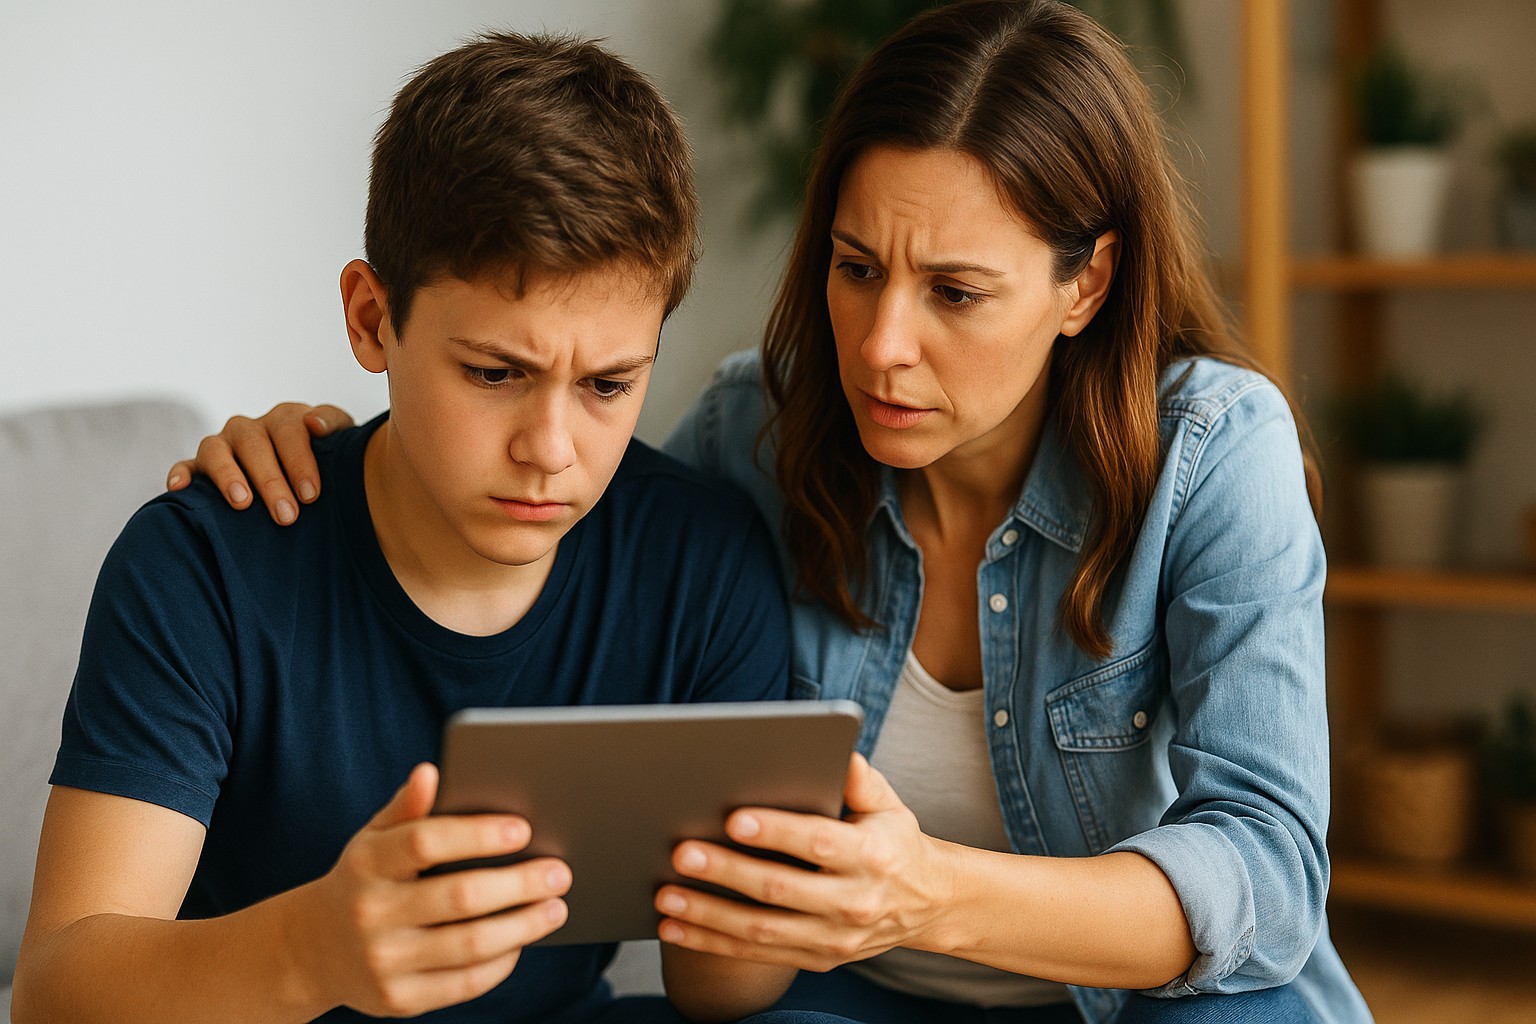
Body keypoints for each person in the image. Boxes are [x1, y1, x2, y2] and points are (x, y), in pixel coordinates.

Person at [159, 2, 1376, 1022]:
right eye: (856, 269)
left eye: (956, 292)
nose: (882, 347)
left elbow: (1267, 869)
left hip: (1157, 996)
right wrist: (333, 443)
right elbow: (547, 498)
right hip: (846, 999)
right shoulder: (759, 432)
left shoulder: (1215, 456)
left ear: (1086, 282)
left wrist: (929, 892)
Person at [12, 31, 799, 1024]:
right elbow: (53, 994)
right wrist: (313, 951)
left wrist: (769, 909)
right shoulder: (204, 561)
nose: (552, 448)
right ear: (371, 316)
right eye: (495, 374)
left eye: (608, 384)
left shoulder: (705, 562)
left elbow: (718, 994)